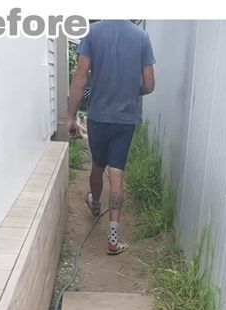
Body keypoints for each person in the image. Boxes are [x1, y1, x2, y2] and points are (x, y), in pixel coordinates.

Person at [67, 20, 155, 254]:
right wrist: (128, 90)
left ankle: (95, 203)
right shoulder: (141, 36)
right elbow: (149, 84)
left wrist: (70, 117)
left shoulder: (93, 33)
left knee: (98, 164)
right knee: (117, 172)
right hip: (125, 119)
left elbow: (80, 77)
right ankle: (113, 238)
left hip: (98, 117)